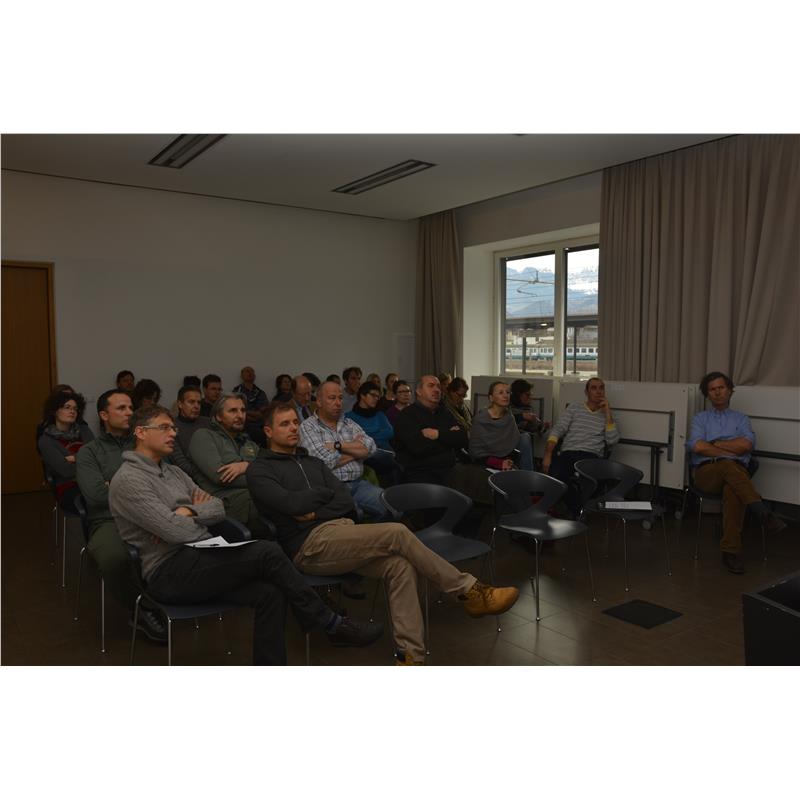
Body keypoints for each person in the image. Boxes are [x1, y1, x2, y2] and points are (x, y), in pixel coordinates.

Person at [247, 401, 520, 665]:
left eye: (295, 422)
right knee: (396, 532)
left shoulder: (313, 463)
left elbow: (344, 500)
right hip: (309, 546)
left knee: (400, 566)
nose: (293, 428)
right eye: (284, 424)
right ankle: (469, 590)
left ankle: (411, 657)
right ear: (268, 431)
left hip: (344, 532)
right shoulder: (260, 470)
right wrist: (320, 498)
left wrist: (313, 508)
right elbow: (292, 505)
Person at [109, 404, 383, 665]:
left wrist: (188, 512)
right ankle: (331, 624)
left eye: (173, 428)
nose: (173, 433)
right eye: (165, 428)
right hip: (168, 572)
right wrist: (187, 519)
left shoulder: (173, 472)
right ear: (141, 432)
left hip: (201, 555)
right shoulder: (130, 480)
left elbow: (218, 507)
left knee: (270, 593)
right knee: (267, 551)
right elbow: (174, 530)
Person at [76, 390, 167, 642]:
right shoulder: (89, 452)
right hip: (108, 520)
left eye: (130, 407)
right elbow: (95, 496)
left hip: (149, 514)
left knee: (186, 540)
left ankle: (174, 598)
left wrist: (113, 484)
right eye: (121, 408)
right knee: (113, 557)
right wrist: (140, 487)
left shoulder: (145, 443)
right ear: (104, 415)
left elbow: (165, 482)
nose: (129, 412)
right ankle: (142, 608)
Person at [687, 371, 786, 574]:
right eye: (712, 389)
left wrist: (715, 443)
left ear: (730, 390)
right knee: (726, 464)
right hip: (707, 473)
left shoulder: (741, 419)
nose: (717, 392)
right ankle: (760, 510)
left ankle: (730, 552)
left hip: (734, 474)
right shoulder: (700, 418)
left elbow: (747, 444)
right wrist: (730, 449)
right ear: (707, 394)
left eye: (721, 387)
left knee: (733, 491)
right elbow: (697, 446)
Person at [299, 380, 386, 519]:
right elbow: (323, 462)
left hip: (358, 484)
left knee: (392, 505)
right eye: (332, 398)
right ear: (319, 402)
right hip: (331, 489)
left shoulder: (348, 423)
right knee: (356, 515)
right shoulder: (308, 427)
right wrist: (357, 451)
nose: (338, 403)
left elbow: (371, 447)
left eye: (340, 398)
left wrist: (338, 446)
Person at [188, 393, 267, 535]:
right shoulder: (204, 436)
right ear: (218, 416)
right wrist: (264, 477)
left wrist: (246, 466)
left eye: (243, 410)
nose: (240, 415)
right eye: (233, 411)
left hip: (259, 496)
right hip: (229, 506)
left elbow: (271, 467)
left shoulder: (249, 443)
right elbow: (221, 476)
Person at [542, 377, 620, 517]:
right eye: (594, 388)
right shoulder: (574, 408)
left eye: (601, 388)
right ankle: (577, 509)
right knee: (556, 474)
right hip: (569, 452)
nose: (598, 391)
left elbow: (612, 441)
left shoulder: (608, 416)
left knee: (591, 482)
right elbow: (558, 429)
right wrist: (548, 453)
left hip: (591, 455)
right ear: (586, 392)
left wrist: (608, 413)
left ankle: (575, 511)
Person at [393, 375, 468, 485]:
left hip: (449, 469)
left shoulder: (444, 412)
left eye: (438, 386)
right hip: (420, 473)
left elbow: (463, 438)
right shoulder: (406, 416)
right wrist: (449, 438)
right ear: (419, 391)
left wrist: (437, 434)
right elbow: (418, 448)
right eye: (431, 386)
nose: (437, 390)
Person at [37, 390, 94, 503]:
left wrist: (75, 458)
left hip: (94, 478)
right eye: (67, 407)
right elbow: (66, 471)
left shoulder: (84, 430)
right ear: (55, 411)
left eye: (75, 409)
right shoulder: (45, 440)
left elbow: (98, 455)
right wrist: (88, 460)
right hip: (68, 485)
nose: (72, 411)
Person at [469, 381, 534, 471]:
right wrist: (499, 463)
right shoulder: (480, 419)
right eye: (501, 393)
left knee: (525, 437)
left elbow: (511, 442)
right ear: (491, 398)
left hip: (506, 460)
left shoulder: (509, 417)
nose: (505, 395)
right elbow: (476, 452)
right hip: (486, 463)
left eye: (507, 392)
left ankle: (527, 476)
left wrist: (508, 460)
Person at [170, 384, 210, 483]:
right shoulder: (171, 427)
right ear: (180, 404)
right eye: (191, 402)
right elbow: (181, 464)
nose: (196, 406)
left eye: (199, 403)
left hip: (216, 473)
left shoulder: (209, 423)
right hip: (191, 480)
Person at [345, 381, 395, 451]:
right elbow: (351, 438)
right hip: (362, 453)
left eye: (377, 396)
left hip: (384, 452)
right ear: (362, 395)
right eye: (373, 395)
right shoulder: (349, 417)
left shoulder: (379, 414)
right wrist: (378, 432)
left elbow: (390, 432)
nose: (376, 398)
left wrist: (365, 436)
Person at [233, 366, 269, 446]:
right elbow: (235, 410)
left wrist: (246, 412)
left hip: (260, 424)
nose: (250, 373)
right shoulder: (236, 392)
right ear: (242, 376)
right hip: (244, 425)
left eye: (252, 372)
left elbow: (263, 412)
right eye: (247, 371)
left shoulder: (260, 392)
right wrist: (251, 414)